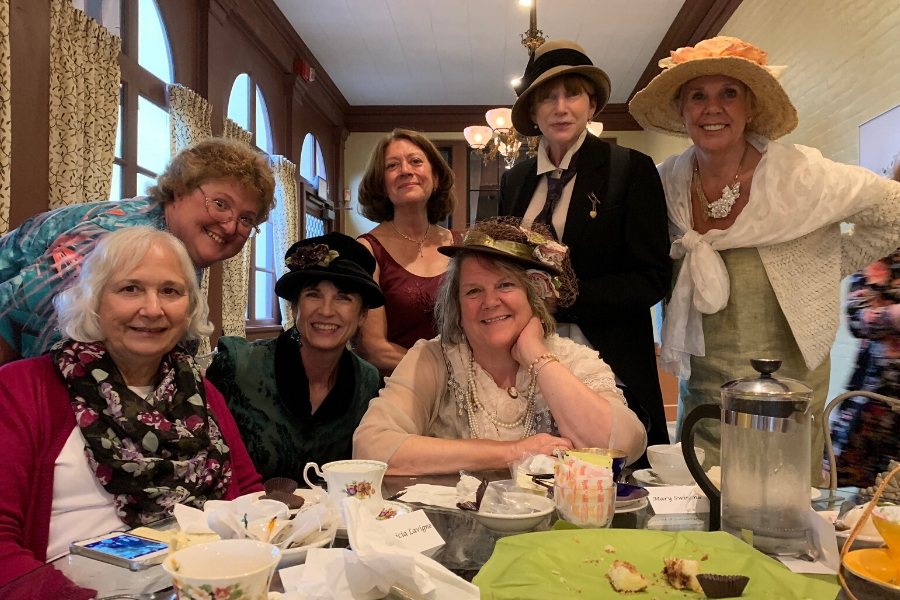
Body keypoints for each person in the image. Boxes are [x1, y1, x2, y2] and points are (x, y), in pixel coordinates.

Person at [628, 36, 900, 482]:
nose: (712, 108)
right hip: (704, 395)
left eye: (728, 93)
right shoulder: (665, 185)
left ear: (750, 106)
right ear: (682, 111)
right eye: (698, 95)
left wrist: (824, 266)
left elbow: (893, 213)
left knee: (779, 512)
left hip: (786, 395)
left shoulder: (802, 176)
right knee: (705, 510)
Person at [0, 227, 262, 595]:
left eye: (170, 291)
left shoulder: (203, 393)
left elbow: (246, 495)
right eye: (130, 289)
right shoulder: (21, 390)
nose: (152, 309)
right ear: (94, 301)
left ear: (189, 305)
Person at [353, 218, 648, 475]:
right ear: (456, 305)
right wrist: (513, 452)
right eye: (473, 291)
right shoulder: (433, 358)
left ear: (533, 294)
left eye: (505, 285)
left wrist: (536, 355)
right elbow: (370, 448)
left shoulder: (572, 359)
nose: (490, 302)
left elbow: (622, 447)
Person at [499, 40, 672, 457]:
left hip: (609, 360)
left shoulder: (629, 169)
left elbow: (652, 278)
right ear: (534, 111)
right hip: (524, 361)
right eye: (548, 97)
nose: (561, 107)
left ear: (591, 104)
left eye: (572, 94)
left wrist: (565, 301)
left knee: (608, 478)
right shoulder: (515, 180)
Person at [0, 137, 276, 366]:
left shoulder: (179, 240)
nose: (230, 226)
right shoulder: (118, 240)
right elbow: (11, 315)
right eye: (220, 204)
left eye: (246, 219)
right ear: (180, 190)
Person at [207, 233, 382, 482]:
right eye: (313, 294)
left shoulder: (368, 382)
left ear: (363, 315)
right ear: (295, 307)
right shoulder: (237, 366)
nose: (326, 310)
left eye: (343, 297)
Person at [356, 129, 461, 376]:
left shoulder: (461, 245)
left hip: (468, 391)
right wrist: (445, 372)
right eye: (392, 165)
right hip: (400, 392)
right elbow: (373, 349)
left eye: (416, 161)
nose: (405, 170)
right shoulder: (367, 250)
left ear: (435, 177)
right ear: (381, 184)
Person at [830, 152, 900, 487]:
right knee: (870, 506)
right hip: (880, 402)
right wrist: (894, 315)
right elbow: (857, 317)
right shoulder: (884, 240)